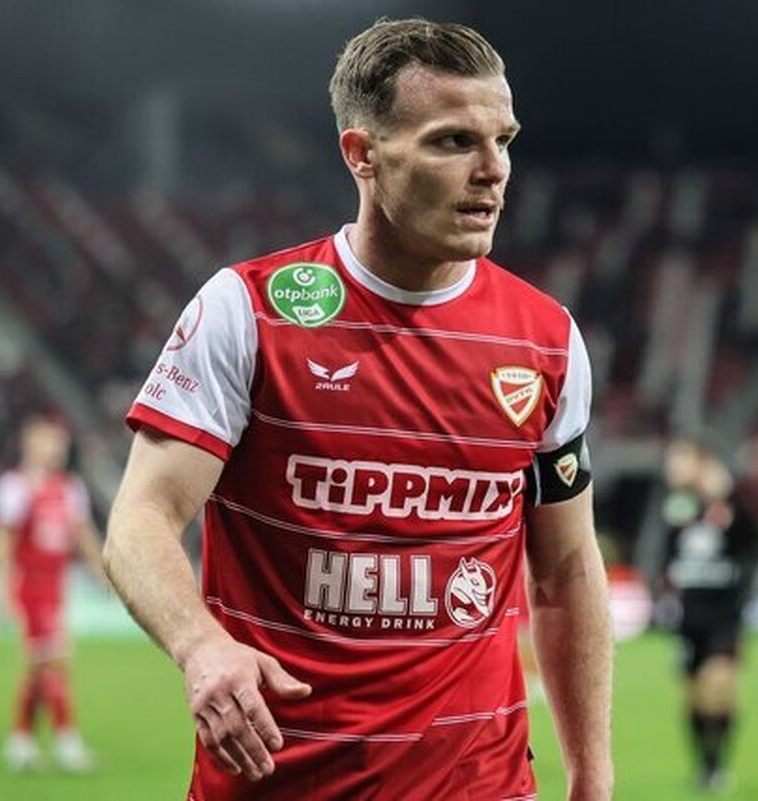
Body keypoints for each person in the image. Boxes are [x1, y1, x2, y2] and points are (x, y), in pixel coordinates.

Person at [104, 18, 613, 801]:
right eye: (453, 142)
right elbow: (140, 517)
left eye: (503, 140)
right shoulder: (248, 311)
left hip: (479, 784)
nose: (493, 171)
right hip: (280, 781)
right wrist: (200, 646)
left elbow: (569, 568)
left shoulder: (545, 339)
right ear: (362, 154)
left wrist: (592, 776)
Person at [0, 415, 105, 773]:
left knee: (41, 666)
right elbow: (1, 539)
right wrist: (3, 589)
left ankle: (20, 743)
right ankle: (66, 743)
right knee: (54, 661)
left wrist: (102, 572)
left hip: (55, 584)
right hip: (31, 584)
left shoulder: (70, 487)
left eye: (60, 441)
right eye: (49, 440)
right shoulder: (15, 486)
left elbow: (83, 535)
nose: (57, 447)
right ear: (31, 444)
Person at [662, 432, 758, 793]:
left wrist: (728, 497)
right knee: (693, 695)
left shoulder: (733, 505)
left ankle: (718, 765)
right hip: (688, 616)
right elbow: (668, 556)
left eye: (680, 460)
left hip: (724, 615)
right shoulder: (678, 507)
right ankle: (703, 768)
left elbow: (756, 541)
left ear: (702, 462)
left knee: (719, 686)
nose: (673, 467)